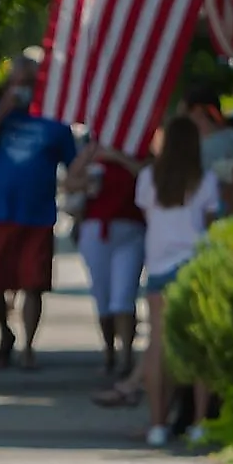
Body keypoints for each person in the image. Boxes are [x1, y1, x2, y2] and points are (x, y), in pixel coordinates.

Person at [0, 50, 76, 370]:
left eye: (29, 81)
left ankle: (28, 347)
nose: (24, 86)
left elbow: (74, 166)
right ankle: (5, 332)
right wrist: (4, 107)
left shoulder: (55, 122)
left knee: (33, 284)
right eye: (18, 80)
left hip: (38, 215)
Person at [136, 113, 220, 447]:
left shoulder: (148, 178)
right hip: (194, 265)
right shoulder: (205, 179)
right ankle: (199, 423)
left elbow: (147, 216)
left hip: (158, 266)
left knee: (157, 344)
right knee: (198, 346)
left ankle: (157, 424)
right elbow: (211, 222)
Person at [71, 140, 145, 381]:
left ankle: (126, 356)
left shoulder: (137, 149)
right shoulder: (92, 152)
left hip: (131, 229)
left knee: (123, 296)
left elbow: (147, 176)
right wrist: (88, 173)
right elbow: (69, 182)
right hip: (96, 230)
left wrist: (119, 157)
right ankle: (109, 352)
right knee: (102, 295)